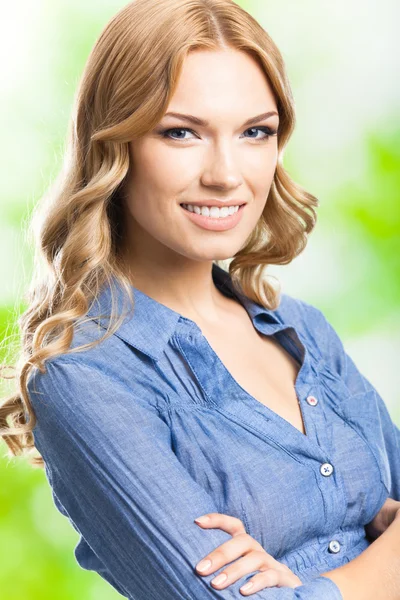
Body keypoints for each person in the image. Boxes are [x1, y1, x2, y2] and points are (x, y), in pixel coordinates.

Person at [1, 0, 400, 598]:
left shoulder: (302, 329)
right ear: (116, 145)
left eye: (254, 132)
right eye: (180, 132)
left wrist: (311, 585)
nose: (225, 174)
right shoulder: (84, 375)